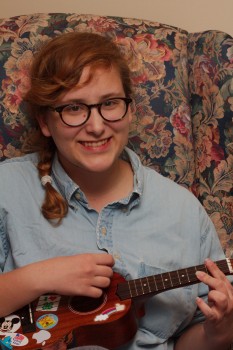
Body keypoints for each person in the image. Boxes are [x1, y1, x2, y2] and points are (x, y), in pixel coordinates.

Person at [0, 31, 232, 350]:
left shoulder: (183, 211)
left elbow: (186, 341)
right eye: (73, 108)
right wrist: (36, 278)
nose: (96, 126)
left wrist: (218, 333)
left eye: (109, 103)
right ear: (44, 120)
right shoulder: (8, 188)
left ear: (130, 110)